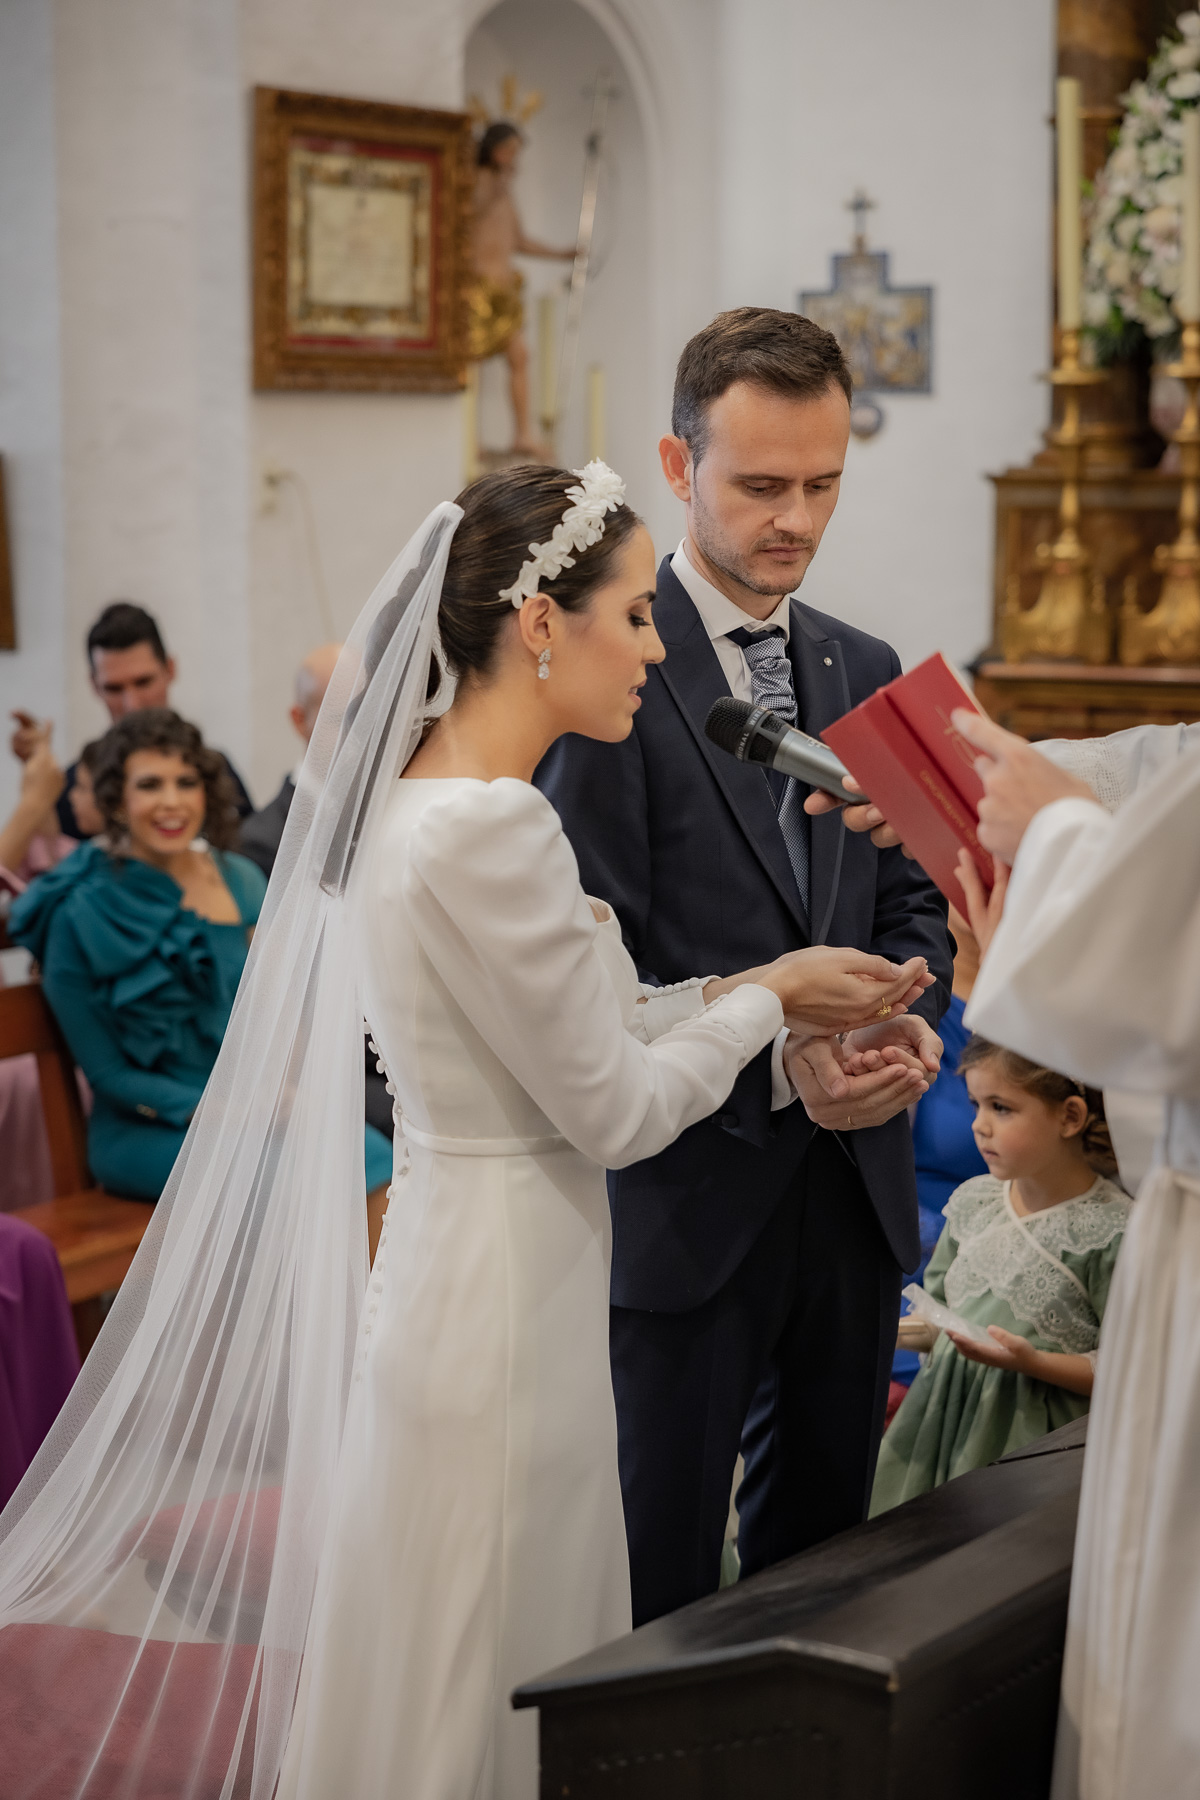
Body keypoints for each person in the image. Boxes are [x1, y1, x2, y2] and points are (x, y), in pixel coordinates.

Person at [0, 464, 935, 1800]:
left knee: (451, 1634)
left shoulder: (418, 806)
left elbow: (584, 1030)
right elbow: (611, 1109)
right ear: (541, 623)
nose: (657, 644)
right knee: (495, 1637)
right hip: (511, 1293)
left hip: (467, 1265)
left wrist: (751, 1009)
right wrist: (776, 994)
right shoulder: (493, 825)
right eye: (631, 614)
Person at [536, 309, 953, 1624]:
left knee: (826, 1568)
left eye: (823, 483)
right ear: (677, 466)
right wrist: (785, 1052)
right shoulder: (609, 668)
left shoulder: (863, 665)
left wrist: (906, 1015)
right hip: (683, 1198)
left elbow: (912, 898)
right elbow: (588, 963)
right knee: (660, 1570)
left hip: (852, 1190)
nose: (796, 518)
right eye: (760, 484)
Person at [10, 710, 392, 1208]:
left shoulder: (240, 878)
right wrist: (233, 1112)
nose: (171, 801)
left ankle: (363, 1292)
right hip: (149, 1127)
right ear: (117, 800)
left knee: (371, 1153)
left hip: (261, 1105)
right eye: (149, 784)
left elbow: (282, 1007)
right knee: (290, 1175)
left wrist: (289, 1088)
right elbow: (108, 1076)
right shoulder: (78, 909)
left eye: (185, 782)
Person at [871, 1034, 1128, 1515]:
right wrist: (897, 1332)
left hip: (1037, 1444)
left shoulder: (1112, 1232)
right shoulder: (973, 1202)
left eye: (1001, 1108)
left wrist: (1031, 1363)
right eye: (974, 1105)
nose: (979, 1127)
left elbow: (1129, 1371)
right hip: (939, 1422)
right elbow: (946, 1314)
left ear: (1070, 1116)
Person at [51, 602, 252, 838]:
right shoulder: (76, 788)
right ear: (94, 685)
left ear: (170, 669)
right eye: (114, 688)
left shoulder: (216, 768)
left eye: (143, 682)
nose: (132, 704)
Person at [466, 121, 575, 456]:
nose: (514, 158)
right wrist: (493, 184)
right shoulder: (477, 182)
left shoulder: (504, 191)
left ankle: (522, 434)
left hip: (503, 290)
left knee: (520, 355)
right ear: (494, 150)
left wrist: (561, 253)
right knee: (472, 363)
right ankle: (468, 436)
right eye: (509, 150)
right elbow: (466, 216)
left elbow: (518, 240)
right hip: (477, 288)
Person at [238, 644, 342, 879]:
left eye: (368, 714)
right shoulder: (261, 841)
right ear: (299, 720)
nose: (361, 732)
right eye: (341, 717)